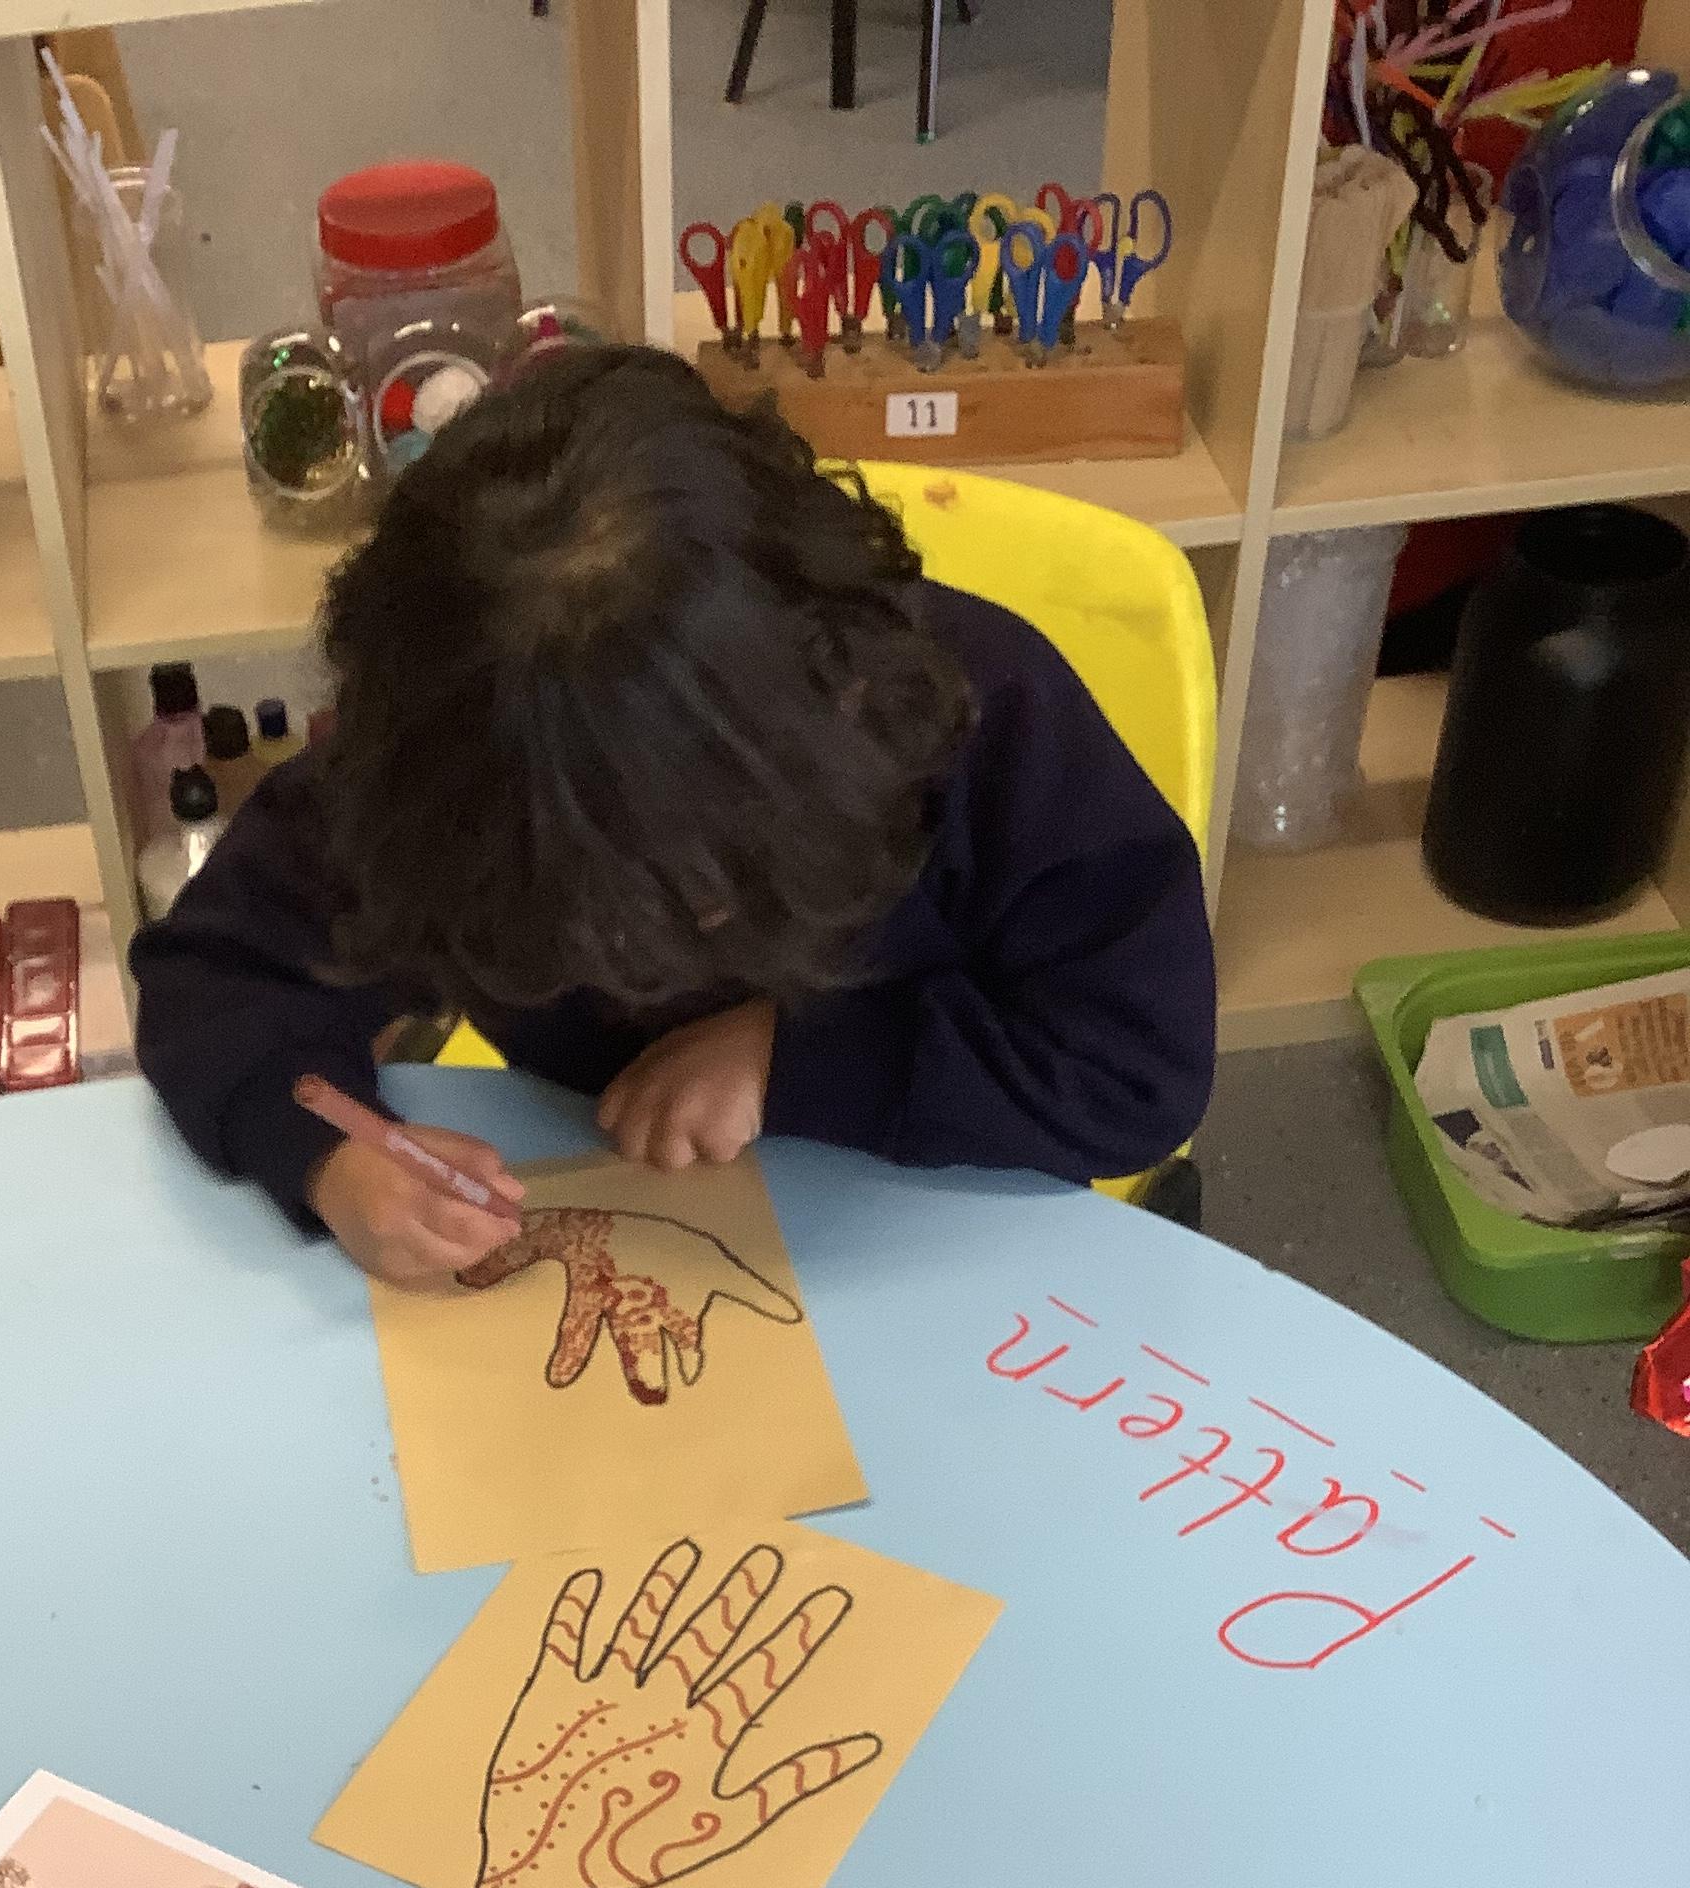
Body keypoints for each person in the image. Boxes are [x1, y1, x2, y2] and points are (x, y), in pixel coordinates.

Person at [131, 342, 1217, 1290]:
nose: (627, 961)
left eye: (687, 903)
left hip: (941, 1250)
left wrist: (789, 1056)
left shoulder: (985, 723)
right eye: (569, 929)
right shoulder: (450, 767)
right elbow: (219, 972)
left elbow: (1137, 1069)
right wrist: (329, 1154)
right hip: (630, 1225)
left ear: (834, 729)